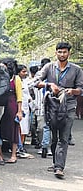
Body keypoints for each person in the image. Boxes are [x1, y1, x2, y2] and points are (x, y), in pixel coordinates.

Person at [33, 42, 83, 178]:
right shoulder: (48, 67)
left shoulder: (76, 69)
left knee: (64, 137)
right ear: (56, 53)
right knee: (54, 138)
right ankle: (56, 163)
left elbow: (81, 89)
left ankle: (59, 167)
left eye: (65, 52)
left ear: (69, 53)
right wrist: (49, 84)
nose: (62, 54)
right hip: (52, 107)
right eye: (60, 52)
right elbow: (35, 81)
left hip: (69, 107)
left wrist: (73, 91)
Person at [0, 58, 23, 164]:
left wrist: (20, 111)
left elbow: (19, 96)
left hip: (12, 106)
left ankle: (13, 155)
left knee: (13, 130)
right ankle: (0, 155)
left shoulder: (16, 78)